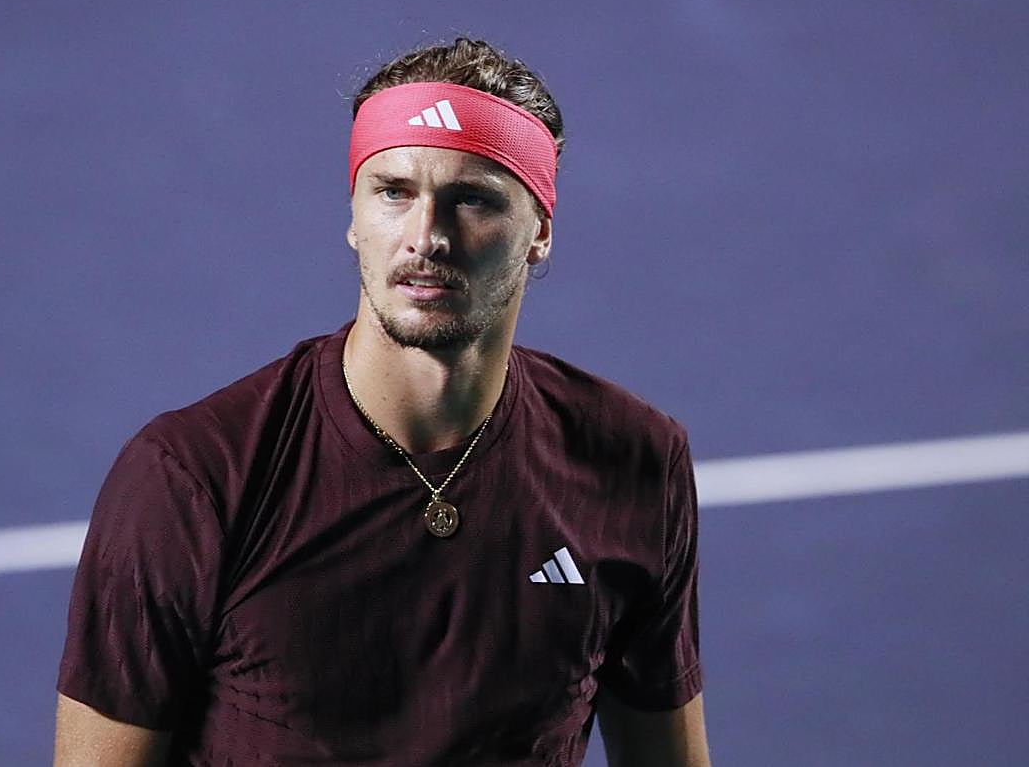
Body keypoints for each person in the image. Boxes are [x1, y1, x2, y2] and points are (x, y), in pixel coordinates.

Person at [54, 37, 711, 766]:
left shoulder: (636, 461)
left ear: (541, 233)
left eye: (473, 199)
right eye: (394, 191)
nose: (426, 237)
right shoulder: (191, 479)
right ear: (354, 217)